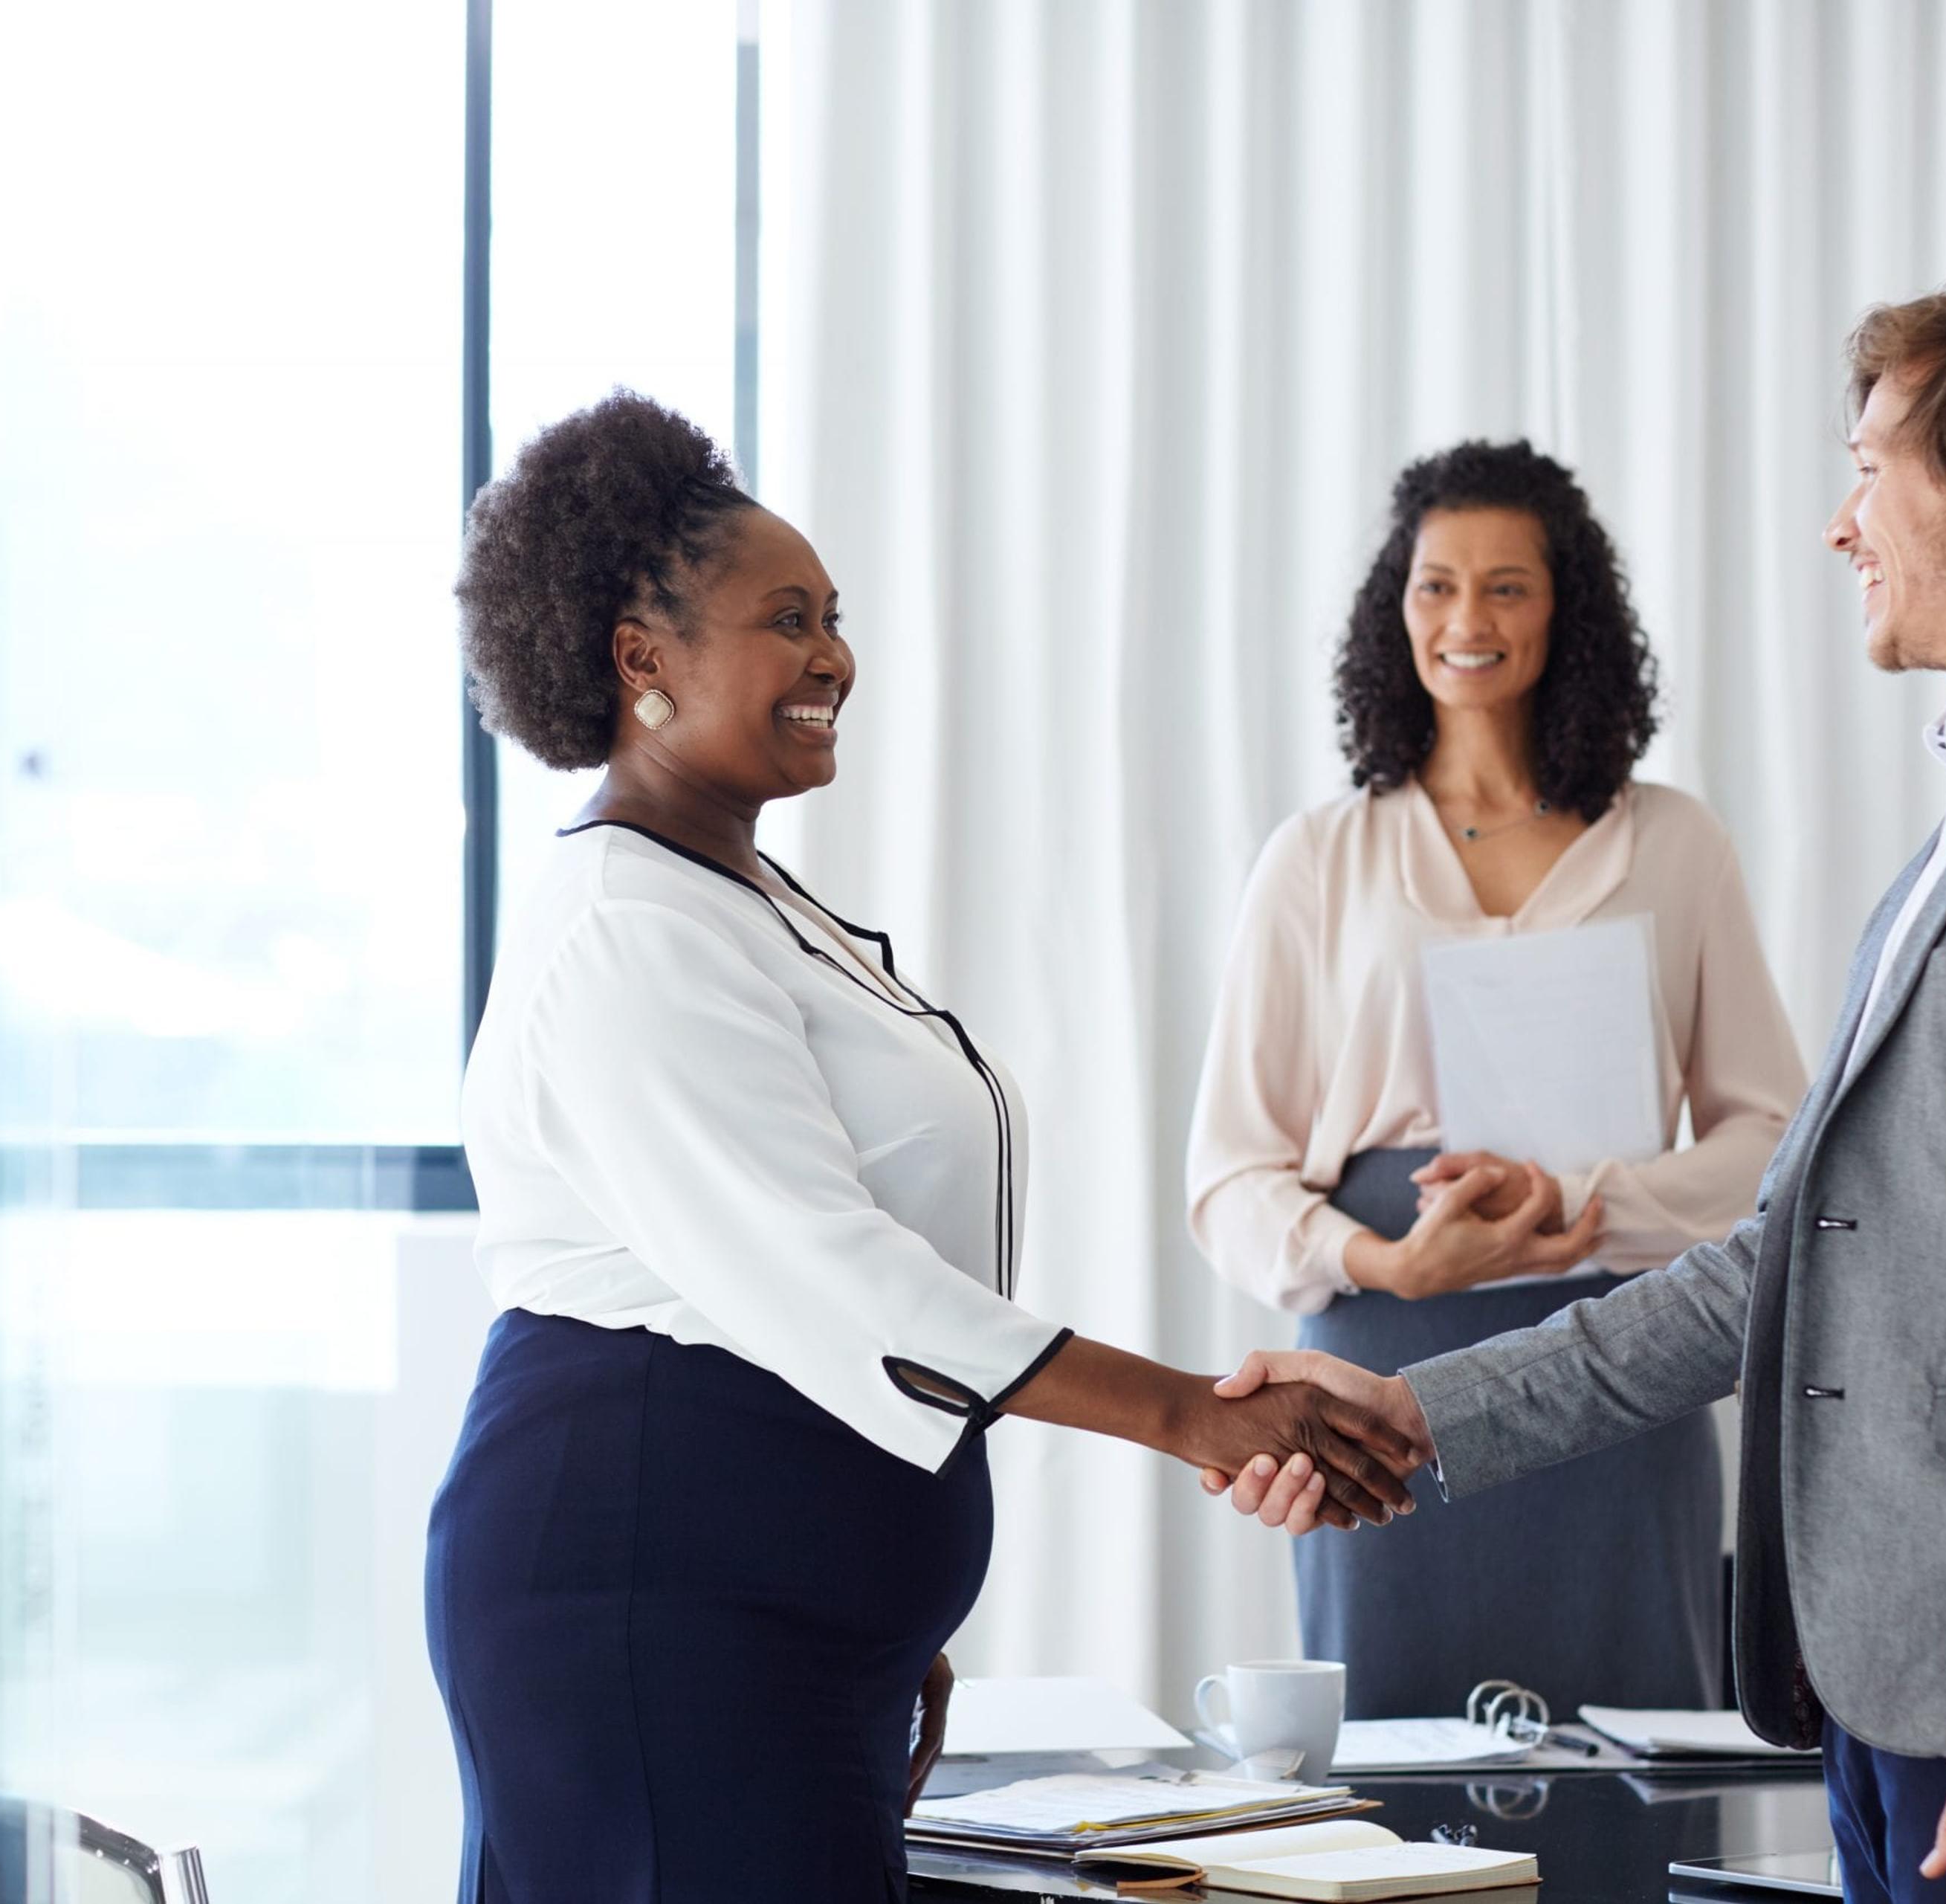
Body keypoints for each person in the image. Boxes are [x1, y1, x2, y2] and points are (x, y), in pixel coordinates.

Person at [1205, 288, 1946, 1904]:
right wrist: (1416, 1407)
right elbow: (1781, 1262)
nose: (1838, 522)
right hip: (1888, 1688)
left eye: (1871, 467)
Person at [423, 393, 1420, 1904]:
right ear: (644, 657)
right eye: (786, 620)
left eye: (834, 618)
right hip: (652, 1607)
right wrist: (1198, 1417)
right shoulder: (629, 934)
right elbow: (844, 1287)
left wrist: (882, 1616)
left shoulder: (743, 906)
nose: (832, 657)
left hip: (767, 1615)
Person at [1185, 441, 1806, 1714]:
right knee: (1394, 1763)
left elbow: (1777, 1140)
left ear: (1565, 606)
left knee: (1632, 1755)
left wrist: (1586, 1206)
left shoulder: (1674, 844)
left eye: (1509, 586)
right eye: (1436, 586)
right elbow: (1230, 1172)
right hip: (1379, 1366)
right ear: (1395, 609)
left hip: (1624, 1355)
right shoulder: (1319, 858)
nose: (1468, 619)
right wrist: (1389, 1263)